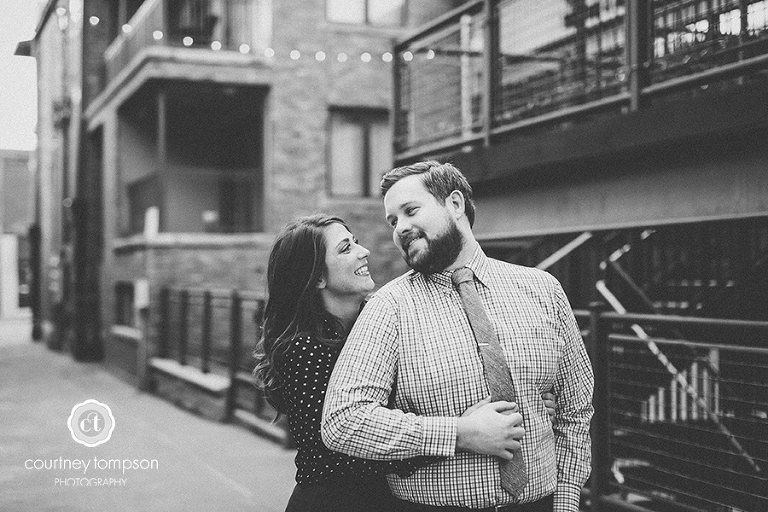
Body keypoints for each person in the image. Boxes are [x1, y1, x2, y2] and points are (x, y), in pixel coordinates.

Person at [322, 161, 594, 512]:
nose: (401, 228)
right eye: (393, 221)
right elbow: (343, 420)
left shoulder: (543, 290)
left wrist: (567, 501)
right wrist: (460, 433)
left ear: (454, 203)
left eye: (410, 211)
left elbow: (576, 410)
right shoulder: (387, 308)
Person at [253, 214, 556, 512]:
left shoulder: (381, 320)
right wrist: (462, 432)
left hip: (387, 499)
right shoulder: (304, 349)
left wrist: (525, 402)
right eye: (346, 248)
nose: (364, 251)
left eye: (356, 242)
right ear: (316, 276)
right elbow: (345, 451)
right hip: (336, 501)